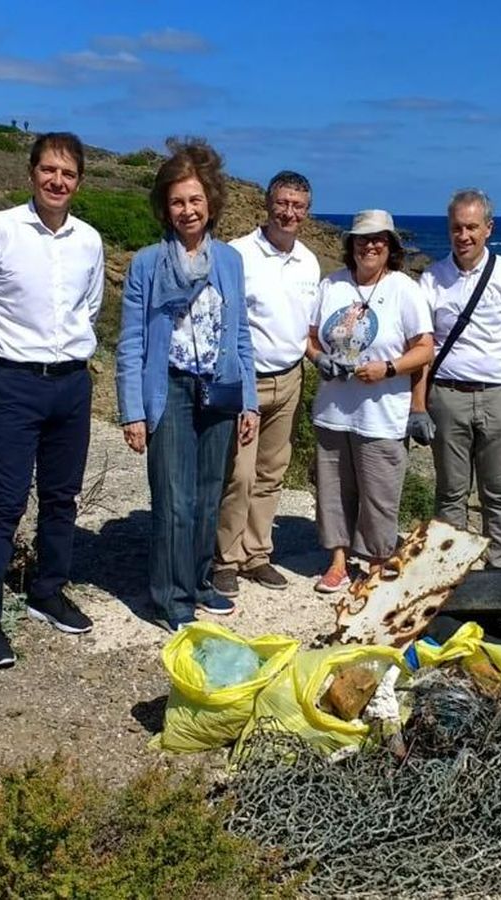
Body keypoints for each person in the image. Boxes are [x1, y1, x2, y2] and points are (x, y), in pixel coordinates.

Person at [0, 133, 104, 668]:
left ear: (78, 181)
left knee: (62, 497)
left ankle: (47, 590)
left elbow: (89, 309)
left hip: (72, 383)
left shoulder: (89, 240)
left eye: (67, 173)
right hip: (13, 383)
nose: (57, 181)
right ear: (31, 173)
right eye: (48, 170)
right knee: (4, 501)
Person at [116, 139, 257, 630]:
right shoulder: (147, 263)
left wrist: (250, 401)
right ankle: (171, 598)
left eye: (195, 199)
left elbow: (241, 334)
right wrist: (133, 411)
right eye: (177, 201)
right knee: (174, 501)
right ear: (165, 207)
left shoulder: (230, 262)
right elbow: (131, 342)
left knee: (208, 495)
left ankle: (198, 582)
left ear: (211, 201)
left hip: (220, 388)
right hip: (171, 389)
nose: (188, 210)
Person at [410, 189, 501, 570]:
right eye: (457, 228)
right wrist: (417, 407)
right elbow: (423, 346)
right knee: (450, 493)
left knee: (498, 491)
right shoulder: (432, 278)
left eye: (471, 227)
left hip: (500, 397)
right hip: (447, 396)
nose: (464, 235)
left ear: (488, 228)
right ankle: (449, 570)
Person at [308, 209, 434, 593]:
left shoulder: (404, 289)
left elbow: (424, 349)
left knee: (380, 495)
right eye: (362, 239)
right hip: (332, 411)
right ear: (351, 244)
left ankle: (377, 562)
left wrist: (389, 368)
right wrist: (319, 359)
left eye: (379, 239)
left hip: (382, 414)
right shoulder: (332, 285)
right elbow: (310, 338)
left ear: (391, 246)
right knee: (333, 491)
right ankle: (338, 562)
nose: (370, 245)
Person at [211, 171, 320, 597]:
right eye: (283, 203)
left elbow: (306, 329)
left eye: (298, 206)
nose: (289, 212)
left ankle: (256, 554)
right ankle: (225, 558)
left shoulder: (309, 261)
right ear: (268, 204)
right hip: (246, 380)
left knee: (271, 472)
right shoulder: (238, 254)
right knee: (238, 474)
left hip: (291, 378)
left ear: (307, 211)